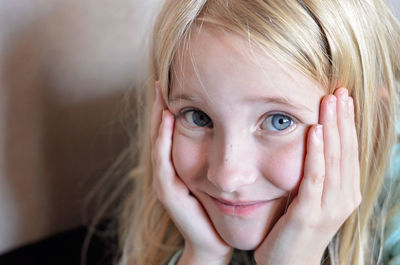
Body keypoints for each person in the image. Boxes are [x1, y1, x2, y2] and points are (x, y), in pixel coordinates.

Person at [106, 0, 400, 264]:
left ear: (370, 120)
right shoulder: (173, 205)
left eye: (279, 121)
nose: (226, 177)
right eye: (198, 117)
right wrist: (203, 256)